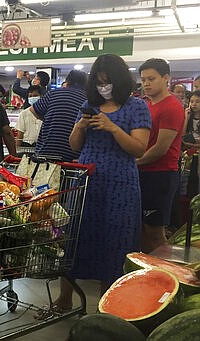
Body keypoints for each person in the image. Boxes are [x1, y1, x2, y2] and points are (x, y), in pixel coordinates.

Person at [53, 54, 151, 312]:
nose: (103, 87)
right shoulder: (88, 105)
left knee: (116, 242)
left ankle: (107, 306)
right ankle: (65, 299)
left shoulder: (136, 107)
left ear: (119, 81)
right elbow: (74, 146)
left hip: (120, 185)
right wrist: (80, 127)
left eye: (107, 82)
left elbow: (139, 149)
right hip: (87, 182)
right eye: (98, 82)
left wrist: (113, 128)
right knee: (74, 238)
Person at [137, 58, 185, 253]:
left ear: (166, 78)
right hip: (143, 172)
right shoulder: (147, 105)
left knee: (155, 231)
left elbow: (161, 148)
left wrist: (134, 162)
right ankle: (146, 275)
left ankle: (165, 278)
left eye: (151, 79)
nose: (146, 84)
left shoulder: (171, 106)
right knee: (141, 228)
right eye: (143, 80)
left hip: (160, 175)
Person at [29, 70, 88, 161]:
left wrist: (48, 119)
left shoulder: (54, 93)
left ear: (67, 81)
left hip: (46, 152)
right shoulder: (87, 100)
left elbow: (33, 110)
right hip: (73, 156)